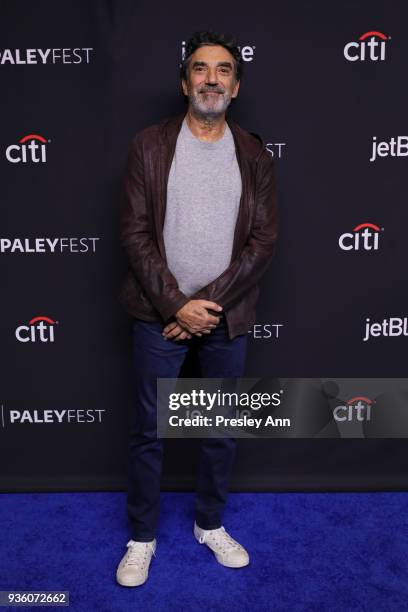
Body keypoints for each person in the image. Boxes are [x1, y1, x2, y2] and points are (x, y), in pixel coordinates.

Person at [116, 30, 278, 587]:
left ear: (236, 86)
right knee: (149, 431)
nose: (212, 78)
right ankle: (142, 536)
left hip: (224, 317)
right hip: (159, 314)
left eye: (224, 70)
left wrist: (206, 309)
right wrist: (177, 305)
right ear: (185, 82)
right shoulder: (149, 145)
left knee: (219, 430)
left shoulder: (254, 153)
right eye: (202, 69)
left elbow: (262, 242)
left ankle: (209, 523)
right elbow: (135, 234)